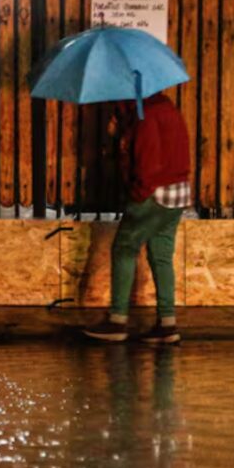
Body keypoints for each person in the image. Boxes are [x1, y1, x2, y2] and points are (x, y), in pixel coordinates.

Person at [83, 93, 192, 344]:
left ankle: (117, 321)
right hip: (178, 192)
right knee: (161, 255)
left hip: (154, 193)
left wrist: (137, 195)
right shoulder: (165, 107)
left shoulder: (146, 116)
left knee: (124, 247)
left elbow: (147, 164)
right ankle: (167, 324)